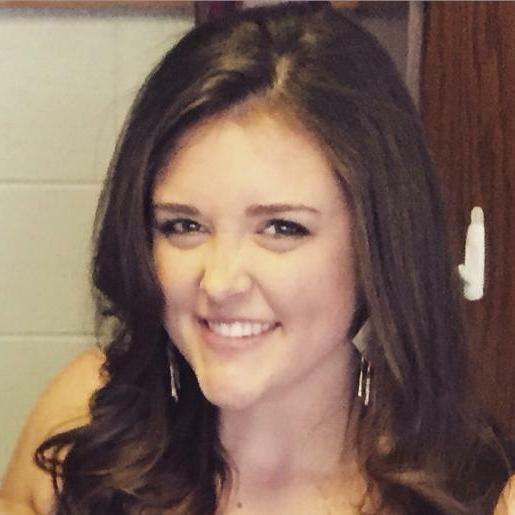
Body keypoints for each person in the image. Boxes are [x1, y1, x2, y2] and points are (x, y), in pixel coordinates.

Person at [1, 3, 514, 514]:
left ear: (376, 245)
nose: (220, 282)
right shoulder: (86, 422)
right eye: (183, 226)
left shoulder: (476, 496)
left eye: (281, 228)